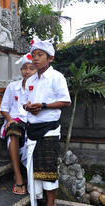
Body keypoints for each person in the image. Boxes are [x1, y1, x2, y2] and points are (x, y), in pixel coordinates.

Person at [23, 37, 71, 206]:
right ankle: (37, 200)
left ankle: (51, 203)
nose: (35, 58)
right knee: (34, 167)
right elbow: (25, 102)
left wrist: (43, 106)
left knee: (48, 168)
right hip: (32, 128)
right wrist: (29, 107)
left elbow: (66, 102)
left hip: (49, 129)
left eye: (40, 55)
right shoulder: (30, 80)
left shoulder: (57, 77)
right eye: (33, 55)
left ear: (50, 58)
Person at [0, 53, 36, 195]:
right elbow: (4, 108)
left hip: (31, 122)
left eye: (31, 68)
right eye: (24, 68)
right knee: (14, 130)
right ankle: (18, 175)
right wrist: (9, 120)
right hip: (14, 121)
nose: (27, 71)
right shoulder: (12, 87)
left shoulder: (39, 87)